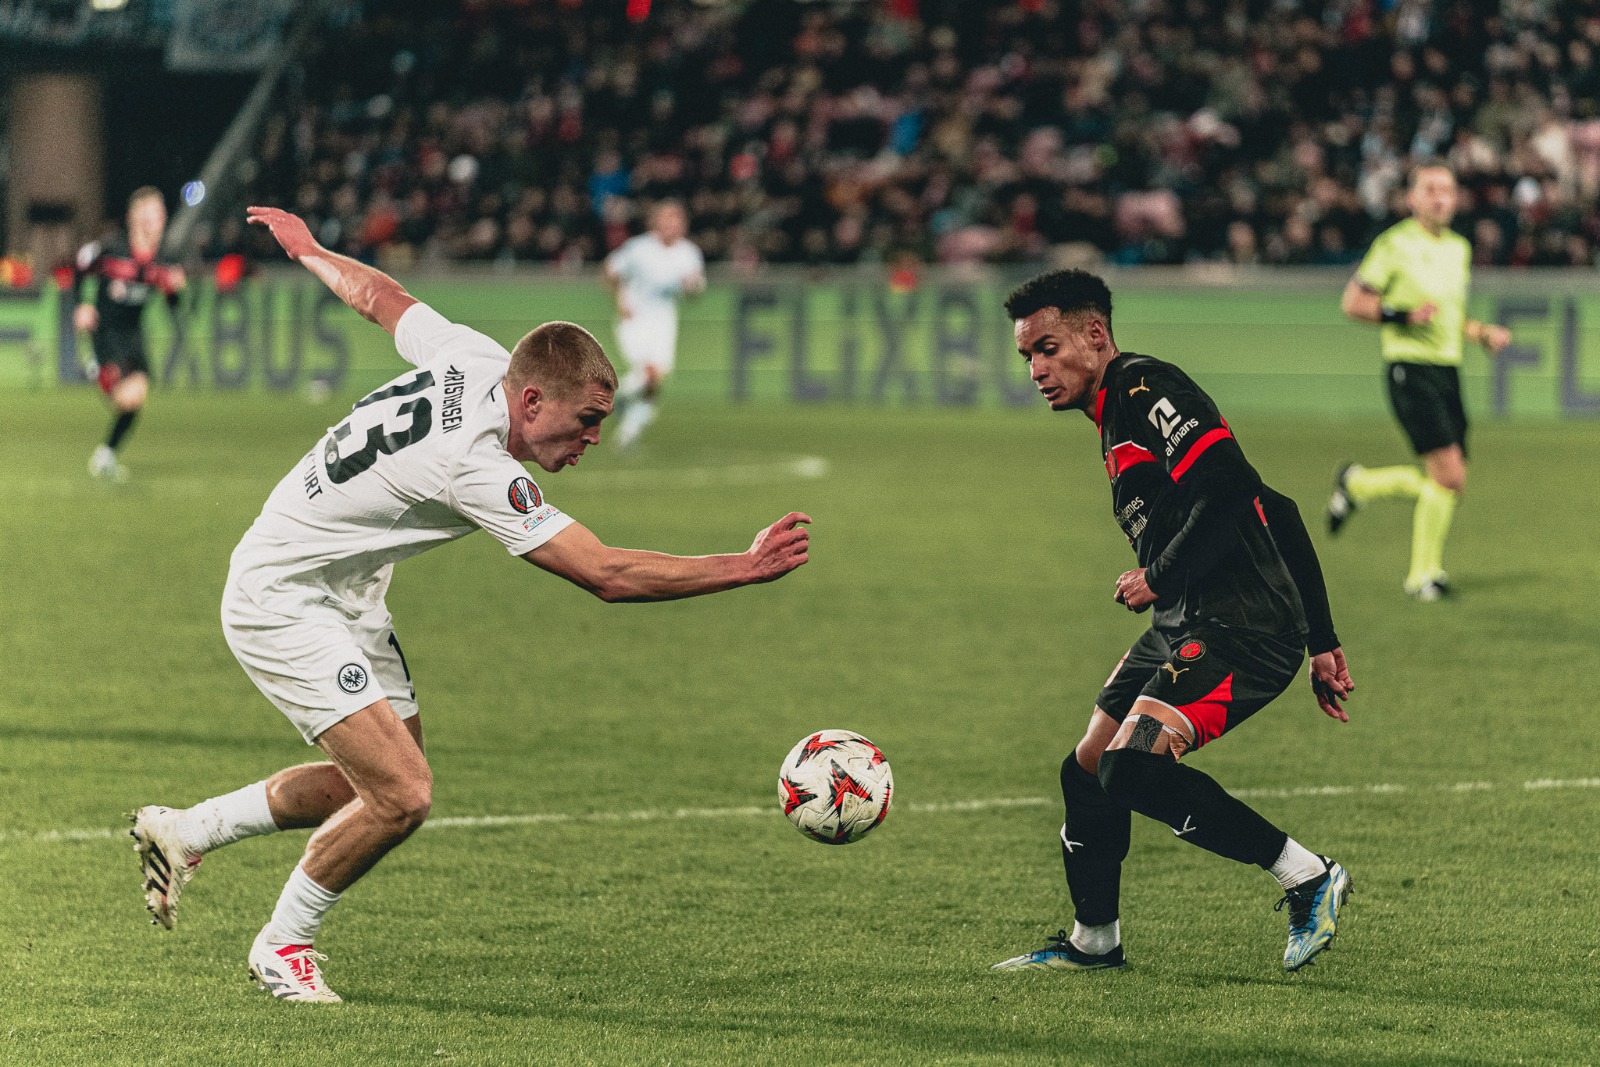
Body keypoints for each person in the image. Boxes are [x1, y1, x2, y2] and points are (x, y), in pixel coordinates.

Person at [129, 206, 812, 1003]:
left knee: (372, 780)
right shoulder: (477, 463)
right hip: (281, 595)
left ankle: (185, 830)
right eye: (586, 420)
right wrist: (744, 566)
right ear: (532, 401)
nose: (592, 438)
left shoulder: (471, 355)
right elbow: (605, 573)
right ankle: (283, 945)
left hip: (346, 587)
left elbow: (381, 298)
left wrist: (313, 250)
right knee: (403, 793)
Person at [991, 270, 1355, 975]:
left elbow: (1231, 485)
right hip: (1187, 620)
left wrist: (1159, 574)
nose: (1036, 369)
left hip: (1242, 625)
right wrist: (1325, 639)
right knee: (1088, 768)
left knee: (1130, 767)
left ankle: (1307, 874)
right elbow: (1277, 507)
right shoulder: (1114, 417)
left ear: (1095, 334)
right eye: (1027, 356)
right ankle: (1094, 941)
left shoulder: (1142, 388)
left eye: (1047, 348)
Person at [1330, 162, 1512, 600]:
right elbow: (1353, 302)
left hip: (1447, 371)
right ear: (1411, 198)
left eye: (1447, 189)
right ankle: (1422, 576)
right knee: (1447, 477)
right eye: (1430, 189)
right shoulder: (1394, 244)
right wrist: (1402, 315)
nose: (1440, 197)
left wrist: (1481, 333)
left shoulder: (1459, 249)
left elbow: (1450, 316)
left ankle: (1357, 484)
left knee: (1451, 482)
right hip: (1409, 368)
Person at [73, 186, 186, 480]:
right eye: (153, 214)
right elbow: (79, 265)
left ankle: (105, 455)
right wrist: (81, 304)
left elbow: (173, 303)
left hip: (133, 333)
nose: (159, 220)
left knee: (136, 397)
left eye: (161, 214)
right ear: (136, 218)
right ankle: (95, 367)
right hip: (105, 333)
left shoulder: (163, 258)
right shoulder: (112, 249)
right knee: (127, 398)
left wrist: (175, 290)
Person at [602, 200, 705, 450]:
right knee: (649, 373)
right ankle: (611, 399)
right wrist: (621, 299)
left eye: (677, 220)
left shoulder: (689, 253)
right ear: (656, 222)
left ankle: (627, 431)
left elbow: (695, 290)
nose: (672, 225)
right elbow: (611, 270)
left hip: (664, 319)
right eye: (667, 219)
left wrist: (692, 287)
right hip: (635, 317)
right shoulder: (639, 248)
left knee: (655, 380)